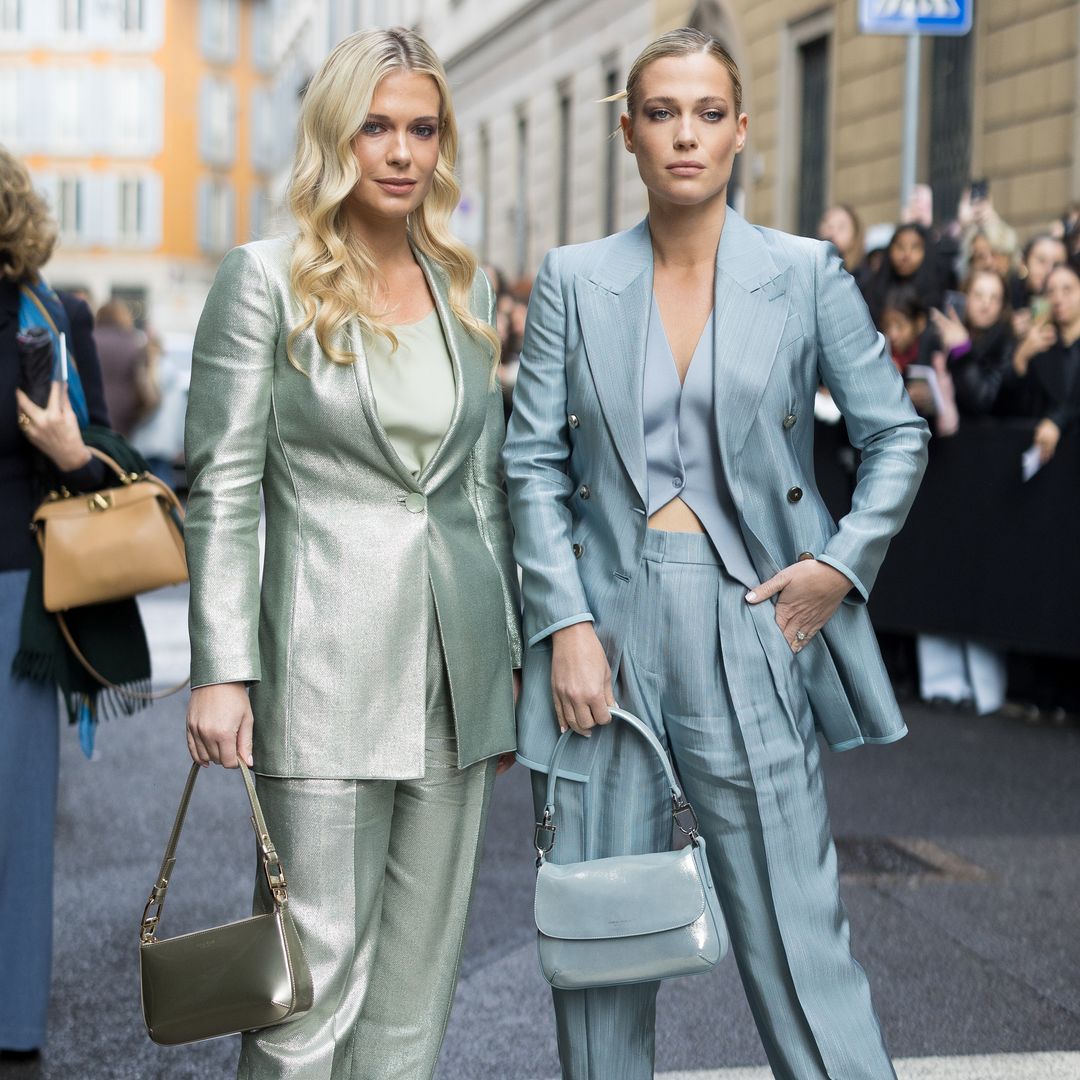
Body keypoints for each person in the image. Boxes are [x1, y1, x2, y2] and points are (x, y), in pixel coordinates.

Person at [503, 28, 929, 1080]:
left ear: (742, 130)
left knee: (799, 935)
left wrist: (839, 565)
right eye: (661, 113)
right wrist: (562, 626)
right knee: (602, 940)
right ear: (628, 133)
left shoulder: (804, 273)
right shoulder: (571, 279)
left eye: (706, 113)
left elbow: (897, 433)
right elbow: (529, 466)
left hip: (753, 617)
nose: (684, 134)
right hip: (602, 632)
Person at [183, 28, 521, 1080]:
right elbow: (225, 486)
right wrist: (221, 669)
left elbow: (477, 490)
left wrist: (502, 658)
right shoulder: (265, 282)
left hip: (453, 675)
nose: (402, 151)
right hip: (323, 670)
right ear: (336, 135)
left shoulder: (461, 290)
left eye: (422, 128)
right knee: (308, 995)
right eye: (377, 126)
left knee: (416, 996)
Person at [0, 144, 112, 1059]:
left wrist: (73, 450)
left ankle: (12, 1018)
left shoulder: (50, 312)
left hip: (15, 595)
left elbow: (118, 461)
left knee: (19, 810)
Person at [1001, 261, 1080, 463]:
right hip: (1048, 459)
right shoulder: (1040, 345)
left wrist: (1057, 421)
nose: (1058, 298)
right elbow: (1015, 403)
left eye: (1067, 289)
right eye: (1051, 291)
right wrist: (1021, 356)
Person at [930, 269, 1015, 417]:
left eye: (994, 298)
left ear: (1002, 306)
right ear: (965, 297)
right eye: (978, 295)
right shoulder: (947, 333)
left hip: (984, 434)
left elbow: (982, 399)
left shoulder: (1006, 343)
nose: (985, 305)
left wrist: (962, 350)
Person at [880, 285, 959, 437]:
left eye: (900, 326)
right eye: (887, 325)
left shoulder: (934, 354)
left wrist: (931, 399)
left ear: (919, 322)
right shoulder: (882, 355)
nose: (893, 334)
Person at [92, 297, 157, 438]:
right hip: (125, 407)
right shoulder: (134, 341)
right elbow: (145, 378)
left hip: (94, 402)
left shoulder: (90, 340)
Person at [818, 203, 865, 281]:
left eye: (841, 227)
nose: (832, 232)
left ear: (855, 233)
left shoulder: (864, 277)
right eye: (829, 226)